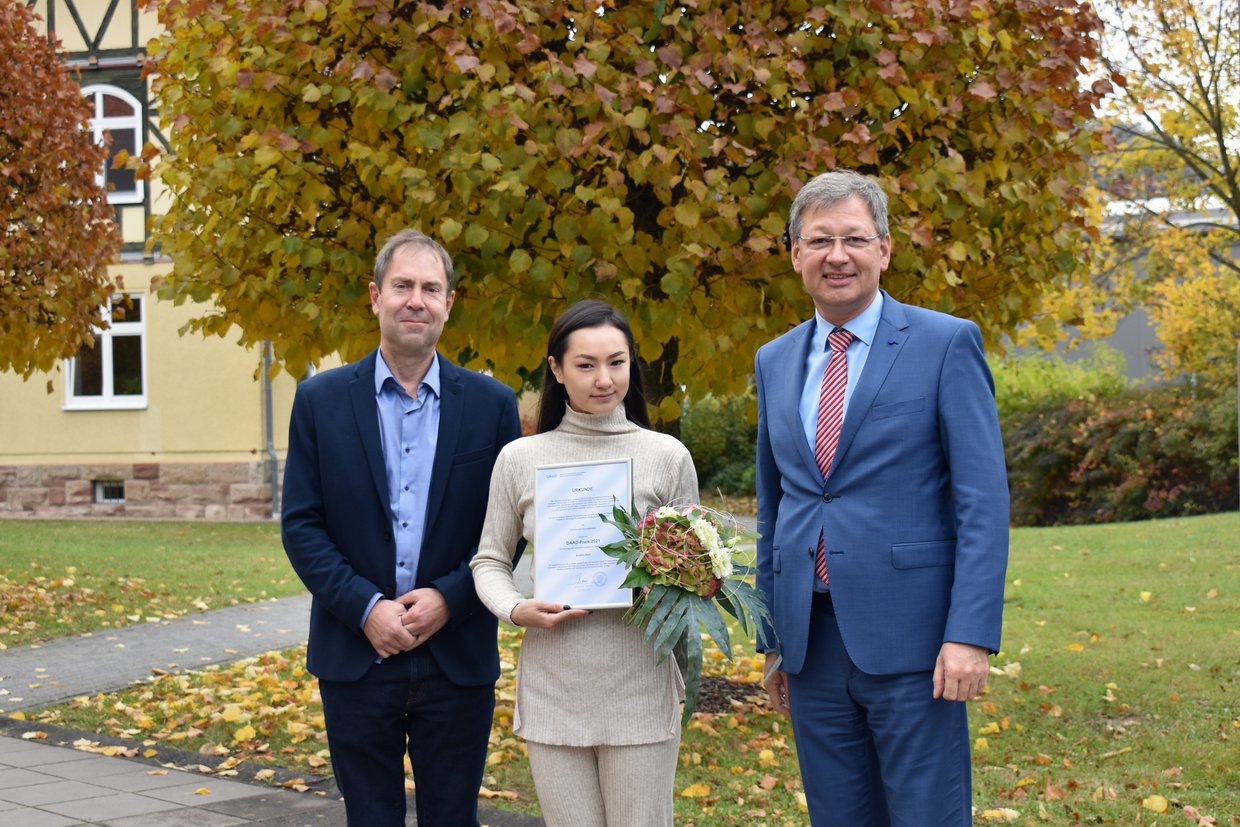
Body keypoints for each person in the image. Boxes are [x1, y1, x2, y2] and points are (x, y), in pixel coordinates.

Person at [754, 170, 1010, 826]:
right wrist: (773, 639)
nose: (836, 255)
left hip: (916, 641)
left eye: (853, 238)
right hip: (812, 644)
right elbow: (774, 504)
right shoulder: (774, 359)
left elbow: (982, 501)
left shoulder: (945, 343)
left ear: (885, 250)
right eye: (819, 241)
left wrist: (970, 634)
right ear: (795, 254)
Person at [281, 229, 522, 826]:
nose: (416, 300)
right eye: (403, 286)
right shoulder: (319, 401)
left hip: (457, 654)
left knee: (453, 817)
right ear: (375, 296)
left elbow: (509, 528)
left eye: (431, 288)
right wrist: (366, 608)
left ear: (449, 302)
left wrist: (450, 598)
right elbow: (302, 525)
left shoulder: (492, 405)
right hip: (355, 652)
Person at [470, 299, 697, 827]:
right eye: (586, 365)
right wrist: (515, 608)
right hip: (555, 685)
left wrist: (665, 585)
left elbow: (695, 574)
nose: (604, 379)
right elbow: (488, 560)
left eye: (617, 362)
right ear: (556, 369)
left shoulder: (667, 456)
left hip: (641, 681)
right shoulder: (520, 459)